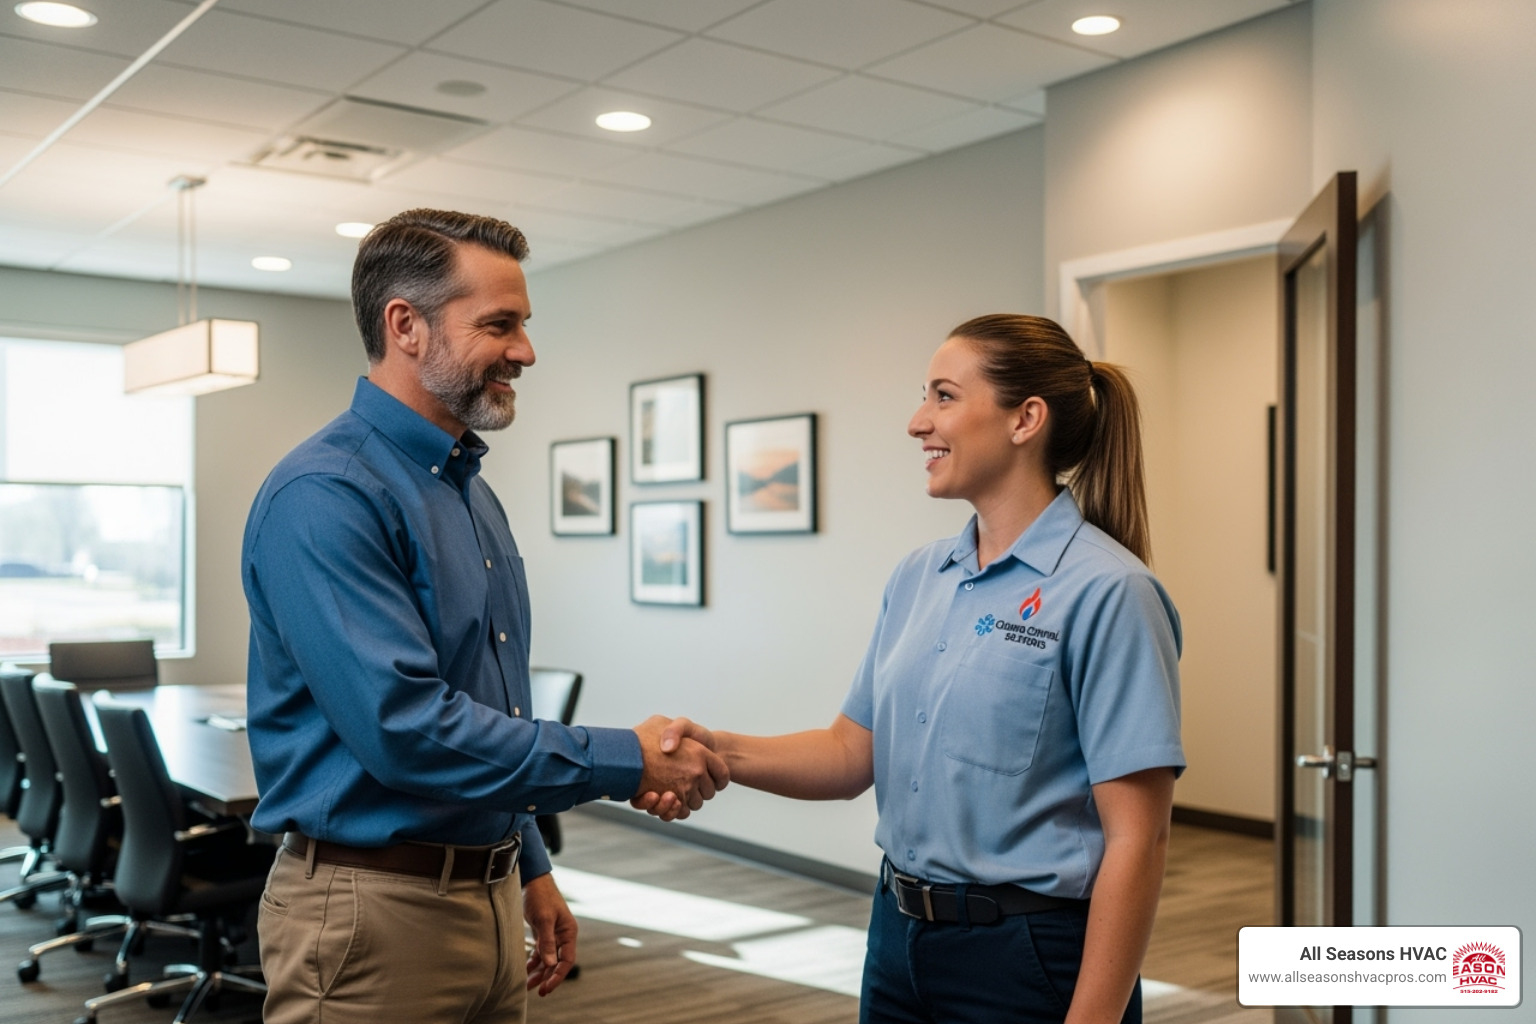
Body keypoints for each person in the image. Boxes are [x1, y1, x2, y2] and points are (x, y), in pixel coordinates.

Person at [242, 208, 727, 1024]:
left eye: (524, 325)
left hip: (490, 891)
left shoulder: (468, 492)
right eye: (499, 325)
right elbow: (408, 730)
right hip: (373, 914)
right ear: (407, 326)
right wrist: (630, 760)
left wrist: (529, 861)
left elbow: (491, 705)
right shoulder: (326, 496)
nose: (526, 351)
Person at [641, 314, 1184, 1024]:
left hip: (1028, 957)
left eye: (944, 397)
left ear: (1026, 419)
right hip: (898, 937)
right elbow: (849, 753)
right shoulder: (921, 576)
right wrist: (718, 750)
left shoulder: (1111, 592)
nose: (916, 422)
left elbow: (1138, 840)